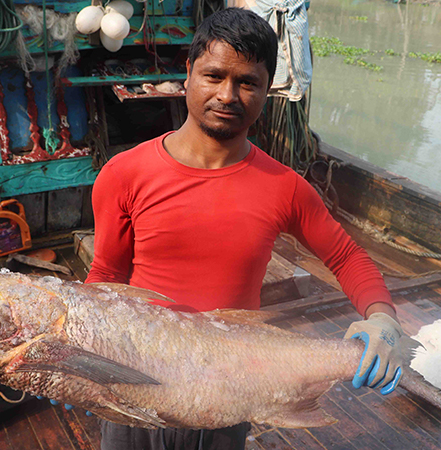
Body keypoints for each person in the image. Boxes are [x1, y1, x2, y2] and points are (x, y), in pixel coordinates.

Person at [84, 7, 404, 450]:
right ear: (189, 73)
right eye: (214, 76)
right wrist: (82, 357)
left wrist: (383, 321)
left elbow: (346, 257)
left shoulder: (285, 187)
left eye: (247, 82)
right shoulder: (124, 174)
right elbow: (106, 277)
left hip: (232, 387)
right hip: (138, 381)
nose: (227, 94)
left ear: (267, 88)